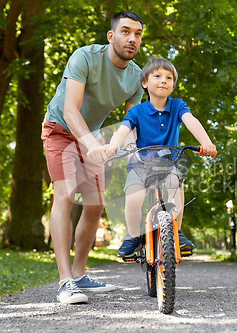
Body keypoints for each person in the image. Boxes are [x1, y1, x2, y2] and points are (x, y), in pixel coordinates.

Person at [41, 11, 144, 304]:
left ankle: (79, 274)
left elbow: (130, 124)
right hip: (60, 129)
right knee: (64, 196)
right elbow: (71, 110)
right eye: (126, 32)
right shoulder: (84, 57)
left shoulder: (137, 77)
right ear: (112, 36)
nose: (132, 39)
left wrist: (135, 151)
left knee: (95, 205)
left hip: (93, 136)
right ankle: (64, 283)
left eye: (137, 34)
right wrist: (90, 144)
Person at [104, 57, 217, 259]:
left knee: (175, 183)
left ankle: (176, 232)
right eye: (157, 76)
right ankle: (132, 235)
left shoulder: (177, 106)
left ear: (173, 85)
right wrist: (113, 145)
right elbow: (123, 130)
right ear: (145, 83)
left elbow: (191, 121)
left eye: (169, 77)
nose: (163, 80)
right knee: (134, 196)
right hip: (141, 165)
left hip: (168, 163)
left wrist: (206, 142)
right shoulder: (136, 111)